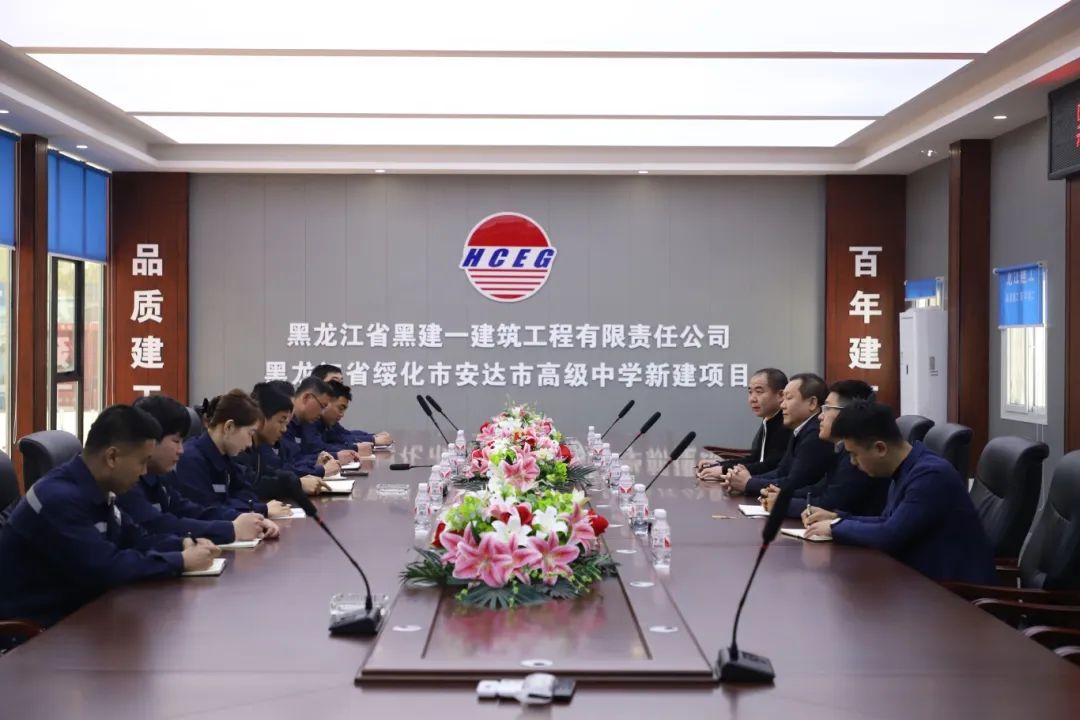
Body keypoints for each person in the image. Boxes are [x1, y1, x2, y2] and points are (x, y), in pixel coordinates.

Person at [0, 405, 219, 627]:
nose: (144, 472)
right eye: (142, 462)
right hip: (35, 631)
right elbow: (106, 569)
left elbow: (136, 539)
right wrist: (181, 561)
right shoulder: (58, 499)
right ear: (112, 457)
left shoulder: (97, 488)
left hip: (79, 615)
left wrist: (183, 544)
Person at [804, 401, 996, 585]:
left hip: (952, 592)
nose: (853, 463)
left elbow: (890, 535)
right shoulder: (906, 468)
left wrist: (836, 528)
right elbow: (888, 521)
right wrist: (837, 518)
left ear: (880, 448)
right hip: (919, 580)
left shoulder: (930, 476)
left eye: (854, 454)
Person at [118, 395, 278, 545]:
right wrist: (231, 529)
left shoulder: (162, 476)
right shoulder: (127, 482)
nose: (181, 450)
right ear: (151, 440)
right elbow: (160, 525)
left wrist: (248, 519)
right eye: (176, 441)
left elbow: (191, 510)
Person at [761, 380, 888, 519]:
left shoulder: (859, 453)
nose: (820, 416)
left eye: (827, 409)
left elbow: (831, 504)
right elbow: (820, 489)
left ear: (847, 413)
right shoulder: (841, 449)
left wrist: (783, 504)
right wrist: (783, 495)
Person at [173, 390, 292, 518]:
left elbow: (246, 493)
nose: (249, 444)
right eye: (250, 433)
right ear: (229, 427)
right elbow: (208, 511)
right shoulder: (191, 460)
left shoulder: (226, 456)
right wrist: (260, 509)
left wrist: (251, 508)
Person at [722, 373, 834, 497]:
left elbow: (795, 483)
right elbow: (781, 471)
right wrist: (745, 480)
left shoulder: (816, 434)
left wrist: (748, 483)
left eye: (789, 398)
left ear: (812, 403)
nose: (782, 405)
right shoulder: (799, 429)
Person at [698, 368, 791, 481]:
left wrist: (724, 470)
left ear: (780, 395)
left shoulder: (787, 424)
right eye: (750, 392)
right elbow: (755, 459)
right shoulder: (769, 420)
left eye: (759, 392)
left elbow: (770, 467)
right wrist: (720, 464)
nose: (752, 399)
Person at [238, 383, 329, 497]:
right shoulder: (240, 446)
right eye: (281, 421)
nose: (284, 429)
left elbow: (272, 472)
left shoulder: (257, 447)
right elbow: (250, 485)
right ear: (261, 417)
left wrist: (298, 480)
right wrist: (298, 483)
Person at [282, 376, 355, 478]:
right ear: (306, 398)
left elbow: (297, 458)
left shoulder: (302, 421)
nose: (321, 413)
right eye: (322, 406)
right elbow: (286, 467)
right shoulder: (285, 424)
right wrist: (321, 470)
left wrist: (317, 461)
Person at [310, 366, 393, 448]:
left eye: (341, 382)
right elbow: (319, 448)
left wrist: (373, 436)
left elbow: (343, 434)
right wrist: (372, 440)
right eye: (334, 382)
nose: (339, 386)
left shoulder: (327, 418)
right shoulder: (310, 416)